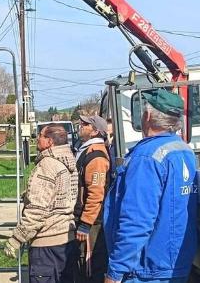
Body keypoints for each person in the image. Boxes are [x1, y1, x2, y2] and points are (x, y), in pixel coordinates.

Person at [102, 89, 198, 283]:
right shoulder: (183, 150)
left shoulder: (146, 157)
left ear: (147, 116)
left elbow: (137, 219)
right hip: (174, 263)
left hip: (147, 269)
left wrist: (116, 271)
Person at [4, 124, 78, 283]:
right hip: (66, 240)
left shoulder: (47, 166)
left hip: (47, 244)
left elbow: (37, 210)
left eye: (41, 135)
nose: (37, 138)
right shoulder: (69, 162)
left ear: (50, 141)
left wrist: (17, 239)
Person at [74, 115, 112, 282]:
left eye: (86, 124)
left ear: (96, 131)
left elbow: (96, 193)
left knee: (90, 267)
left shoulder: (96, 156)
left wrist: (86, 223)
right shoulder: (85, 149)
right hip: (84, 217)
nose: (81, 125)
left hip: (92, 223)